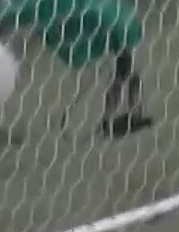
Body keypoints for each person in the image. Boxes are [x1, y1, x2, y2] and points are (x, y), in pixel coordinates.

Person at [0, 0, 152, 137]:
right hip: (98, 27)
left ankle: (123, 114)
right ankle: (117, 116)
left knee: (125, 69)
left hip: (106, 29)